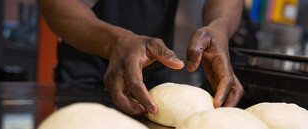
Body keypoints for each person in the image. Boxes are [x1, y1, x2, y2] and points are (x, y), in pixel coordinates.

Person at [37, 0, 244, 115]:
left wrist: (219, 26)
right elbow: (54, 4)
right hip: (85, 72)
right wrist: (113, 41)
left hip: (153, 75)